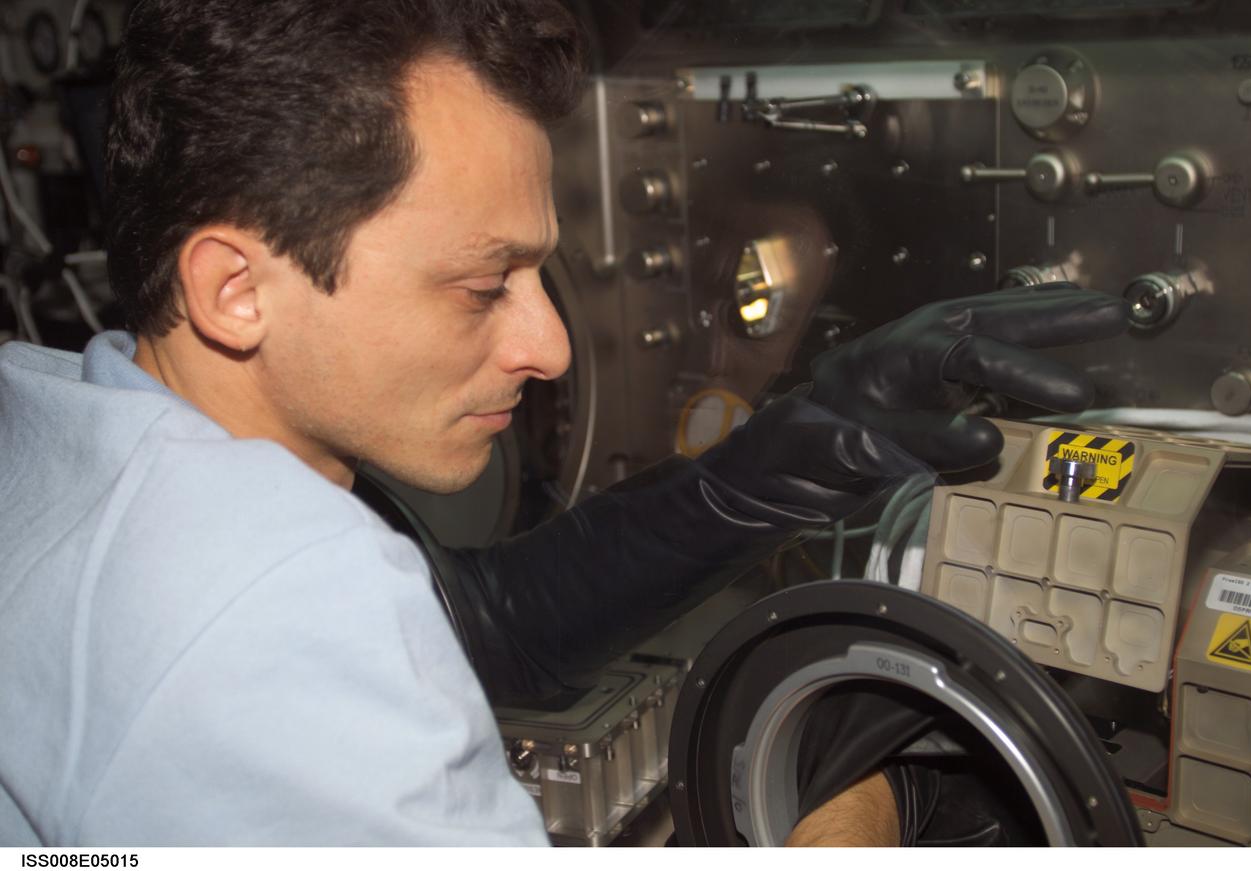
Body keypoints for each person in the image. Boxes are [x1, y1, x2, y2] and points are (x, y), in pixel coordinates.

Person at [0, 0, 1127, 847]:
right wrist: (874, 810)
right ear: (236, 291)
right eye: (484, 284)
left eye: (543, 277)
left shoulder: (59, 420)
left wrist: (801, 450)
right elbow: (316, 627)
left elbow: (473, 622)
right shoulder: (270, 610)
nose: (547, 347)